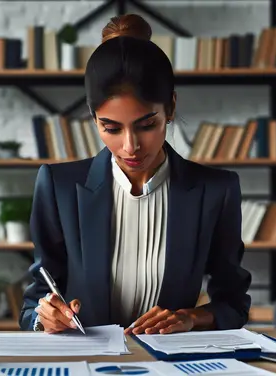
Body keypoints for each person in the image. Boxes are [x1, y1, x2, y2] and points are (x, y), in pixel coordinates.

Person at [20, 13, 252, 335]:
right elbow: (34, 302)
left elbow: (234, 304)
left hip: (170, 365)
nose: (130, 147)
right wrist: (44, 317)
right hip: (85, 364)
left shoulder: (216, 191)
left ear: (170, 108)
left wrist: (191, 318)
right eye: (111, 128)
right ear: (93, 117)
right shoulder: (59, 188)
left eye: (146, 125)